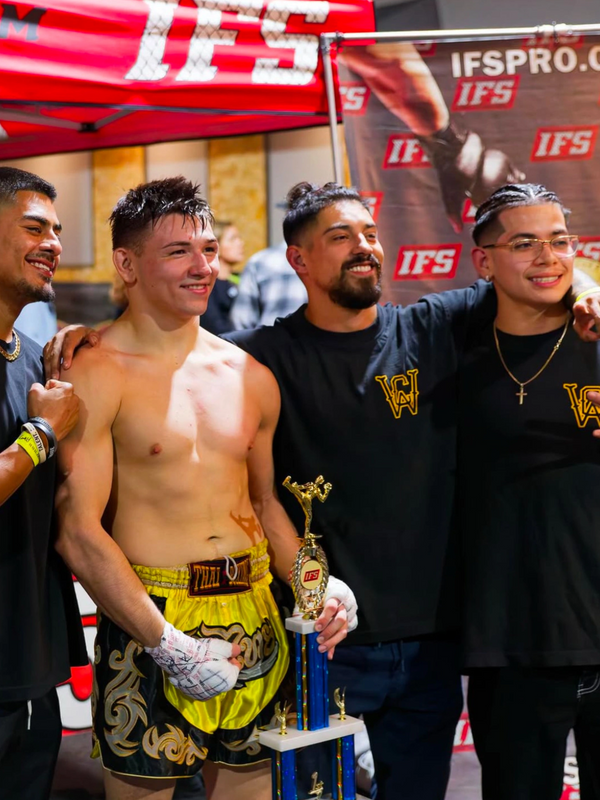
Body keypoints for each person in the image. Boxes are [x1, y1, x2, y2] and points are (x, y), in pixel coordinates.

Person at [46, 181, 600, 800]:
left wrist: (592, 288)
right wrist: (78, 334)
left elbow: (537, 271)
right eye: (341, 237)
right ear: (299, 260)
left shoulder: (422, 329)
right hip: (263, 629)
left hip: (393, 633)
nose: (364, 247)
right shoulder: (246, 358)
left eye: (370, 234)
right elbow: (86, 513)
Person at [53, 177, 357, 800]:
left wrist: (315, 582)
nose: (204, 268)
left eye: (211, 249)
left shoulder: (249, 375)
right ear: (126, 264)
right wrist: (165, 643)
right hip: (152, 619)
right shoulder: (96, 368)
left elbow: (265, 505)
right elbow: (78, 531)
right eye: (179, 252)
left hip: (255, 619)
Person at [460, 183, 600, 800]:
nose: (548, 257)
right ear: (483, 261)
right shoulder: (448, 340)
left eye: (560, 241)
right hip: (512, 641)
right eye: (525, 243)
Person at [0, 166, 85, 800]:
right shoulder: (41, 405)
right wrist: (42, 435)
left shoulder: (31, 360)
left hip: (29, 664)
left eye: (57, 230)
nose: (53, 242)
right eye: (34, 227)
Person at [230, 241, 307, 329]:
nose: (241, 244)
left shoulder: (258, 261)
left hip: (265, 340)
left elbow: (241, 320)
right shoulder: (321, 261)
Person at [201, 220, 244, 335]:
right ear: (216, 247)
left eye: (239, 238)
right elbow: (215, 326)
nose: (240, 243)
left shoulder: (243, 279)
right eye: (232, 239)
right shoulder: (207, 284)